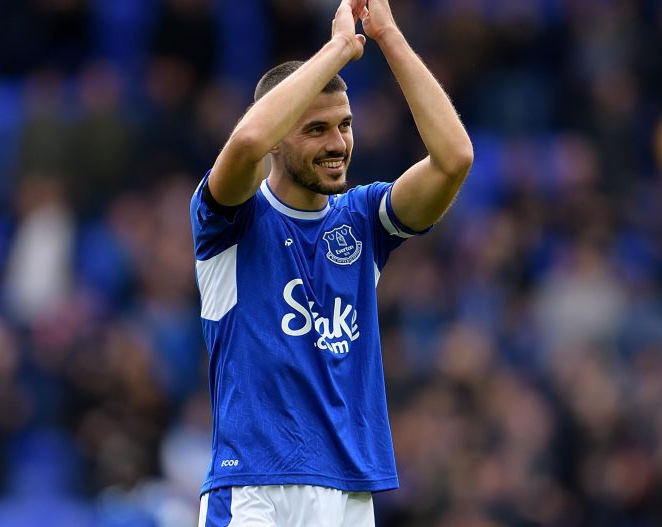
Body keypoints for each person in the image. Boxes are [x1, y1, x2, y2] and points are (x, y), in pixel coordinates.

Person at [189, 0, 472, 525]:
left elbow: (453, 159)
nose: (338, 143)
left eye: (345, 125)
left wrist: (387, 36)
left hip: (349, 492)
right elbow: (248, 140)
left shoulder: (363, 219)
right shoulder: (227, 219)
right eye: (316, 129)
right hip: (253, 487)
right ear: (279, 139)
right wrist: (340, 48)